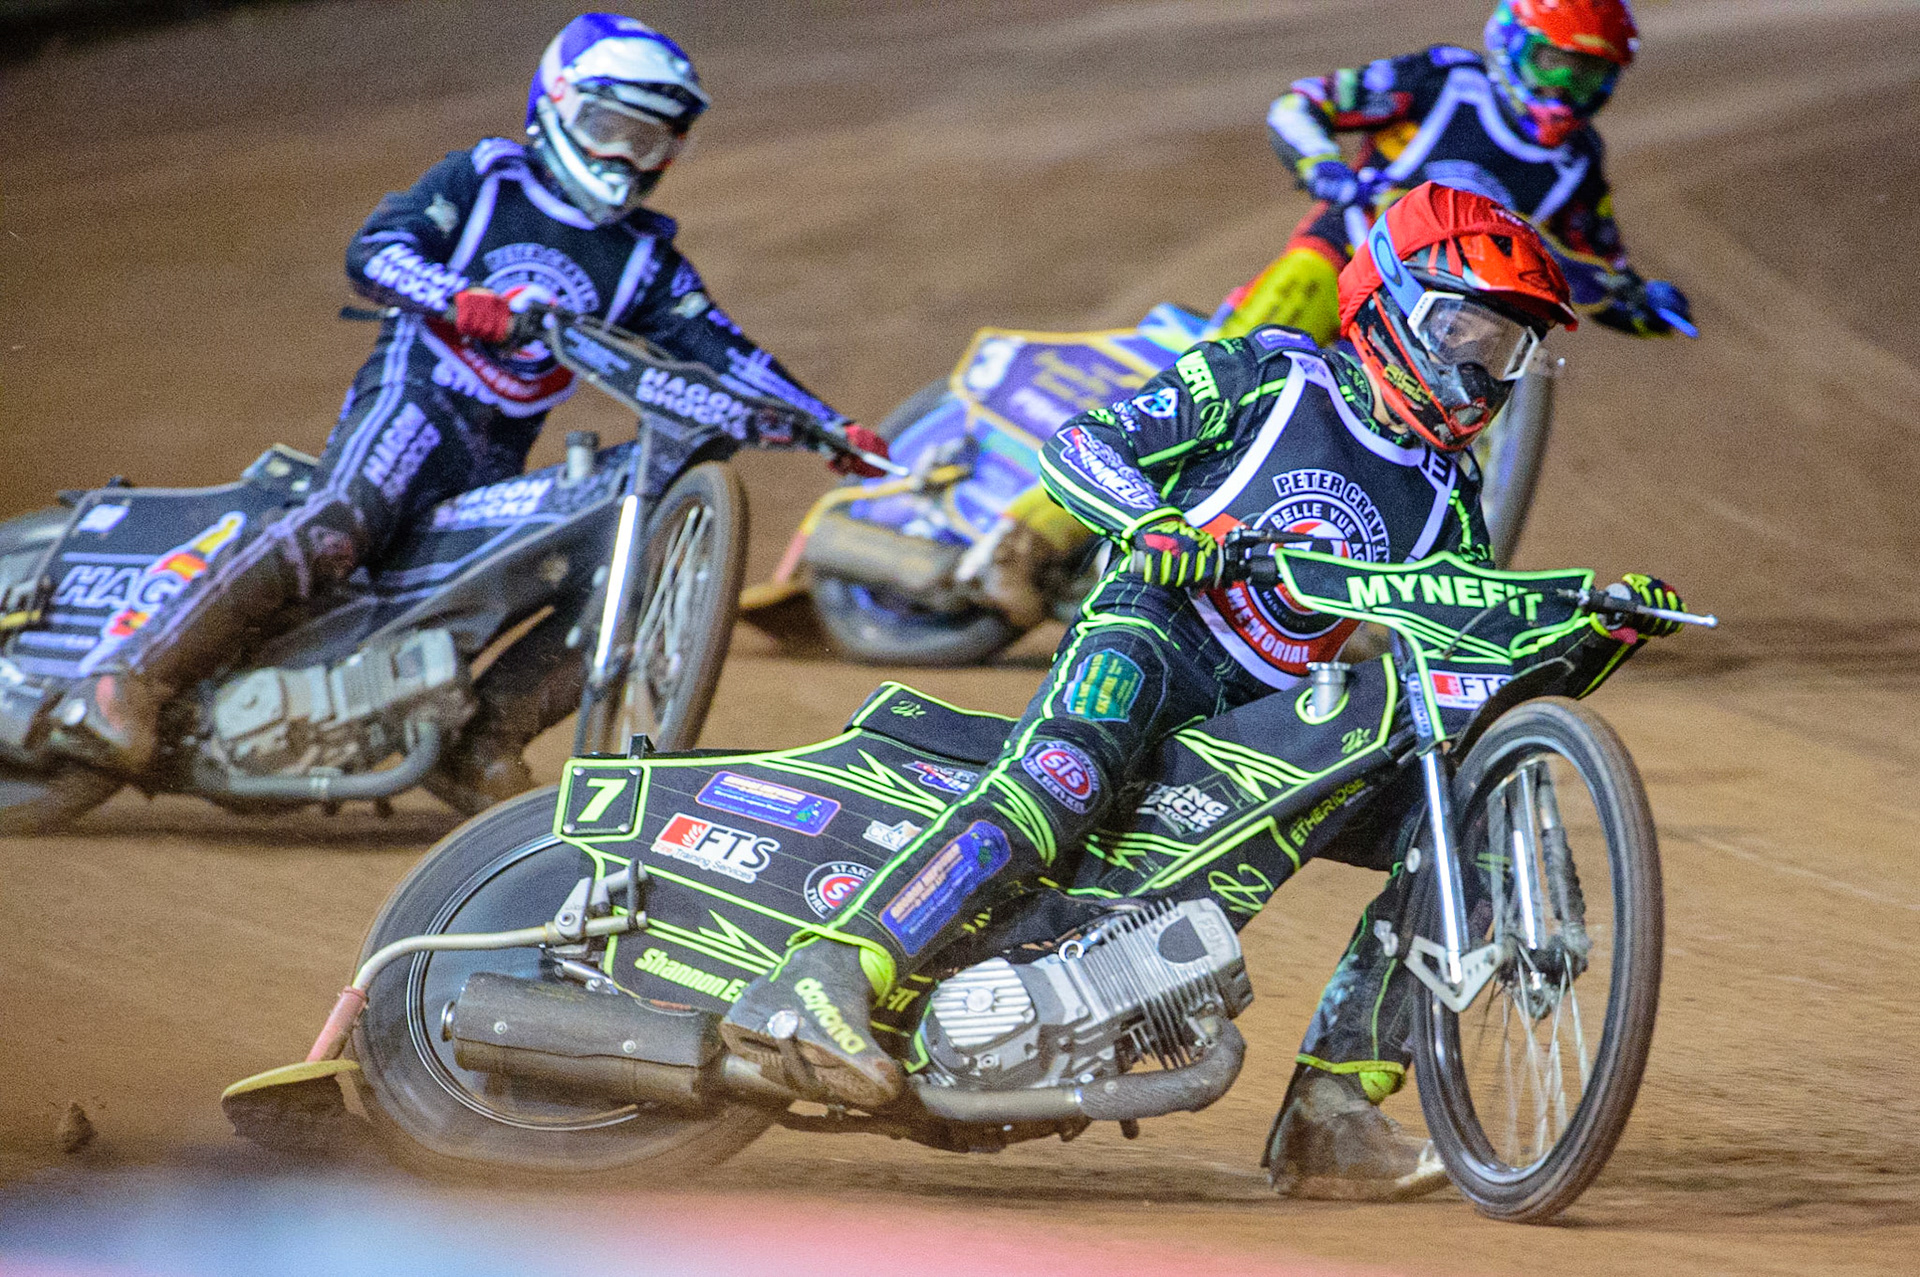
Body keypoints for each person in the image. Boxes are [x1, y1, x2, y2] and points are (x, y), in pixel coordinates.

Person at [720, 183, 1686, 1198]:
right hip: (1151, 635)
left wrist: (1596, 626)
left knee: (1468, 842)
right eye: (1464, 327)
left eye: (1507, 346)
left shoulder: (1450, 499)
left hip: (1263, 716)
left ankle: (1332, 1112)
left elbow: (1462, 635)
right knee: (1061, 780)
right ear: (1391, 302)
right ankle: (826, 972)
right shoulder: (1269, 379)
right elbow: (1085, 446)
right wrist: (1155, 528)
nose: (1480, 367)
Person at [43, 14, 884, 796]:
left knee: (594, 567)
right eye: (607, 130)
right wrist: (455, 297)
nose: (624, 158)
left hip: (494, 449)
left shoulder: (647, 262)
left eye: (649, 140)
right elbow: (374, 250)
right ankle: (124, 677)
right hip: (413, 397)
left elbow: (723, 351)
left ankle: (478, 738)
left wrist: (828, 424)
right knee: (349, 516)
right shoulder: (487, 180)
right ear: (553, 108)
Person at [1214, 0, 1692, 345]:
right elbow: (1304, 102)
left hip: (1450, 320)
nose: (1566, 87)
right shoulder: (1443, 81)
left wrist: (1644, 302)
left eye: (1587, 74)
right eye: (1554, 64)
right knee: (1285, 309)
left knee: (1496, 366)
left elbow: (1604, 261)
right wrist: (1322, 166)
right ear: (1512, 43)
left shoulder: (1578, 161)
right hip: (1347, 257)